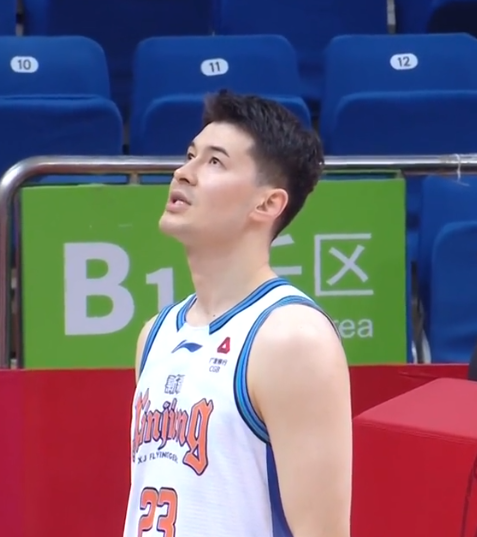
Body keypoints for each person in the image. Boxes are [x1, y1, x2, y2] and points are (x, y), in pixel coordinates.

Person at [124, 90, 352, 537]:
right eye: (190, 155)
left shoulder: (292, 337)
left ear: (267, 204)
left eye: (214, 162)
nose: (183, 173)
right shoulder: (156, 335)